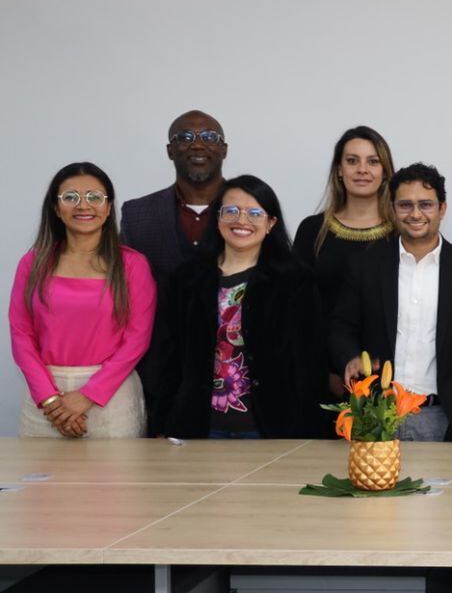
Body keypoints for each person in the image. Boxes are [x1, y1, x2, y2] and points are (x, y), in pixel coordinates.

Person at [152, 175, 324, 439]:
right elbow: (168, 357)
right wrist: (162, 422)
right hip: (197, 426)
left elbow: (308, 362)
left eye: (255, 213)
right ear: (217, 218)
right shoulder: (187, 278)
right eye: (231, 211)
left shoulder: (294, 280)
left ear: (271, 223)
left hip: (274, 427)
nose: (241, 221)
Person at [330, 163, 452, 442]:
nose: (415, 214)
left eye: (425, 204)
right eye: (405, 205)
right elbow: (341, 326)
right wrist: (350, 357)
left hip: (444, 416)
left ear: (442, 208)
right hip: (375, 413)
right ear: (392, 208)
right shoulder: (365, 265)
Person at [10, 163, 156, 438]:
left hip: (111, 397)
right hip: (45, 399)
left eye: (94, 197)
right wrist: (51, 400)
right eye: (70, 197)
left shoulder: (132, 265)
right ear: (56, 208)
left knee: (113, 482)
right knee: (44, 481)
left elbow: (137, 340)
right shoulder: (33, 263)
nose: (83, 206)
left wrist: (87, 396)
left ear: (109, 206)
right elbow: (21, 335)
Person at [293, 126, 397, 391]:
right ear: (339, 169)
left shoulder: (403, 233)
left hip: (389, 380)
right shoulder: (312, 230)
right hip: (320, 376)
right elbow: (299, 309)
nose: (362, 169)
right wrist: (328, 369)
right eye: (352, 161)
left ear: (385, 171)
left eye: (373, 161)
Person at [121, 110, 230, 286]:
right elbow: (123, 284)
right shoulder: (136, 215)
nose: (197, 145)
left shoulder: (253, 209)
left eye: (209, 137)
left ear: (224, 150)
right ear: (170, 151)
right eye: (185, 138)